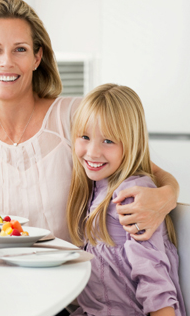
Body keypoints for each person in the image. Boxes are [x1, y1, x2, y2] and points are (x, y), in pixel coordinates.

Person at [0, 0, 178, 241]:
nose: (6, 61)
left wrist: (165, 198)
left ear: (37, 58)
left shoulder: (74, 116)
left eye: (20, 49)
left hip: (80, 276)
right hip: (4, 275)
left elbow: (148, 170)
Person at [67, 84, 185, 316]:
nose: (92, 152)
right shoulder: (98, 186)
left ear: (131, 143)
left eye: (108, 141)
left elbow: (155, 285)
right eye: (85, 137)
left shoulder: (131, 195)